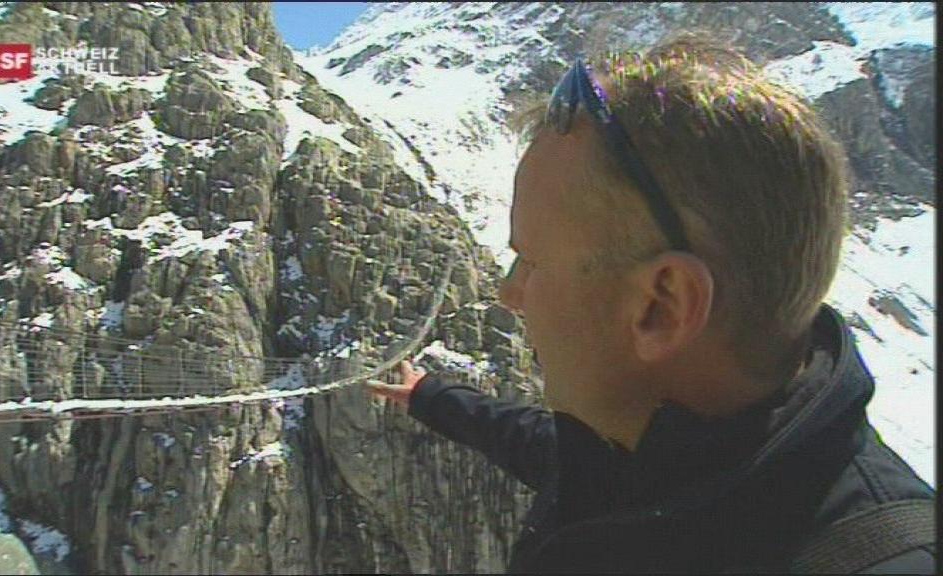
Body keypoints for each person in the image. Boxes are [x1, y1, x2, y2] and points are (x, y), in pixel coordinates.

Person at [366, 34, 936, 574]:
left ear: (660, 307)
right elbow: (545, 448)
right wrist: (432, 397)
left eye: (531, 263)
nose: (508, 295)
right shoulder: (654, 445)